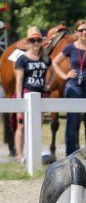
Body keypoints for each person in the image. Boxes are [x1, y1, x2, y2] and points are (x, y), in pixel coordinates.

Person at [52, 19, 86, 156]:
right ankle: (71, 155)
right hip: (74, 87)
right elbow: (54, 62)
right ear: (76, 32)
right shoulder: (70, 47)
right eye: (81, 30)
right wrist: (64, 76)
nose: (84, 32)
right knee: (72, 121)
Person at [13, 26, 51, 163]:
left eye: (38, 40)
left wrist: (48, 84)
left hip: (41, 94)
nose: (36, 43)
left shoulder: (46, 58)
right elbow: (19, 81)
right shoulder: (22, 59)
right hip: (26, 93)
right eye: (33, 40)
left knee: (37, 126)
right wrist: (18, 102)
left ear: (41, 41)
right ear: (28, 42)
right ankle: (19, 155)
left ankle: (33, 153)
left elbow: (52, 72)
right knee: (21, 125)